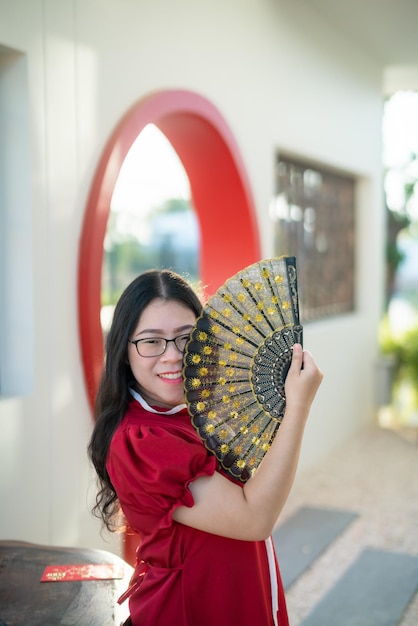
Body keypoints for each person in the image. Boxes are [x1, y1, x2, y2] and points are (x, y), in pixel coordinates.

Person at [88, 268, 323, 626]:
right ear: (124, 351)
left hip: (238, 594)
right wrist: (299, 407)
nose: (173, 355)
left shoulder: (196, 412)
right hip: (192, 610)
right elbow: (255, 519)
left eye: (186, 337)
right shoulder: (142, 441)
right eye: (152, 341)